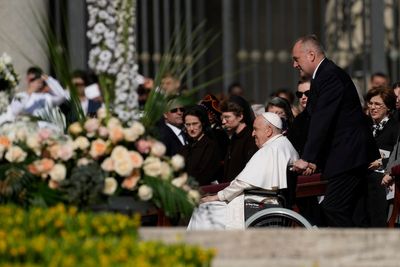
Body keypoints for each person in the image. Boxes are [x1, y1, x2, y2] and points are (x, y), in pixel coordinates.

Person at [291, 35, 380, 227]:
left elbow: (322, 120)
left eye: (296, 59)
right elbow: (310, 119)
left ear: (311, 55)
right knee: (355, 212)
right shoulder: (323, 76)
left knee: (333, 207)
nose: (294, 65)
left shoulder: (329, 76)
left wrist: (308, 158)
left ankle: (349, 251)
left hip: (348, 155)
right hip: (346, 155)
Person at [187, 112, 299, 230]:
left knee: (204, 209)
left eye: (256, 129)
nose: (252, 133)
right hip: (265, 202)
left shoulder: (270, 150)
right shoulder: (284, 145)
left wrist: (217, 196)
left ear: (268, 131)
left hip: (257, 204)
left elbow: (243, 183)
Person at [360, 87, 399, 227]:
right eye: (370, 104)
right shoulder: (368, 127)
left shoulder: (395, 128)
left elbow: (397, 155)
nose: (372, 108)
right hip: (365, 178)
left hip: (384, 182)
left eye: (377, 104)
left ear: (388, 107)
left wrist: (382, 162)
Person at [179, 105, 223, 185]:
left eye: (195, 124)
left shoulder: (210, 146)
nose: (191, 128)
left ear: (202, 123)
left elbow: (203, 176)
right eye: (188, 125)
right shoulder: (186, 147)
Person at [219, 95, 258, 183]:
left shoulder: (251, 138)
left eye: (227, 117)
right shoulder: (234, 137)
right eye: (223, 117)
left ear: (240, 116)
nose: (223, 122)